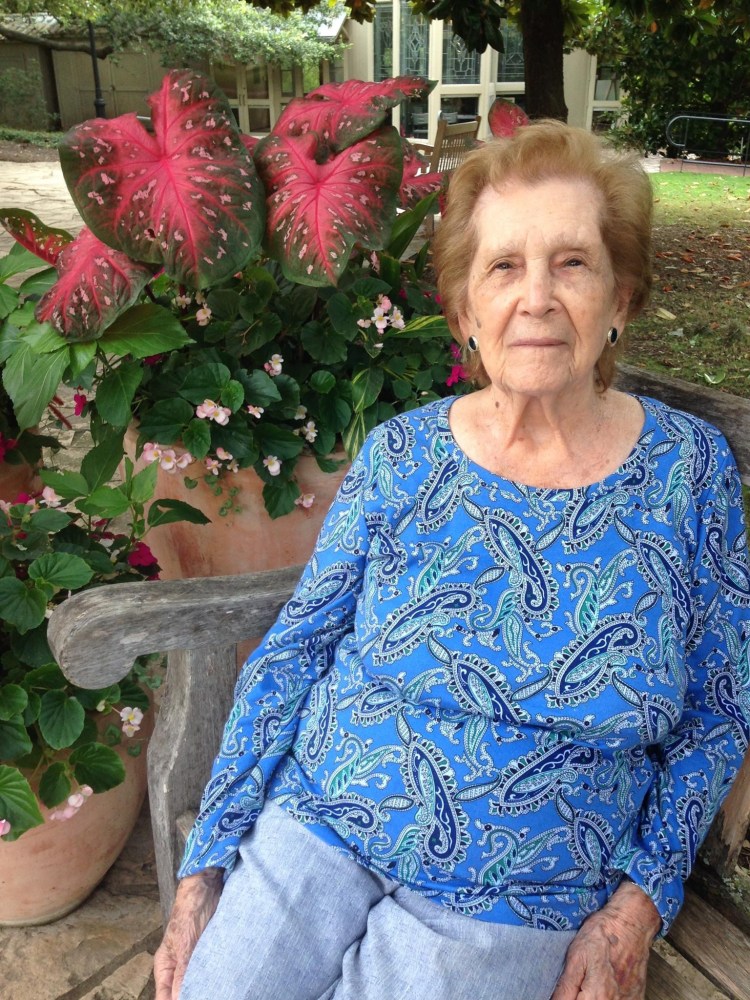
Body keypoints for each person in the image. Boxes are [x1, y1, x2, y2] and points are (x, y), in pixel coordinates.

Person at [154, 121, 750, 1000]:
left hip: (514, 885)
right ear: (468, 314)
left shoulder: (688, 474)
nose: (536, 298)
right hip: (321, 815)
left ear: (621, 298)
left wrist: (637, 908)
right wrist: (204, 868)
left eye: (572, 264)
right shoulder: (404, 455)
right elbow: (295, 650)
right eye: (504, 267)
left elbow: (718, 714)